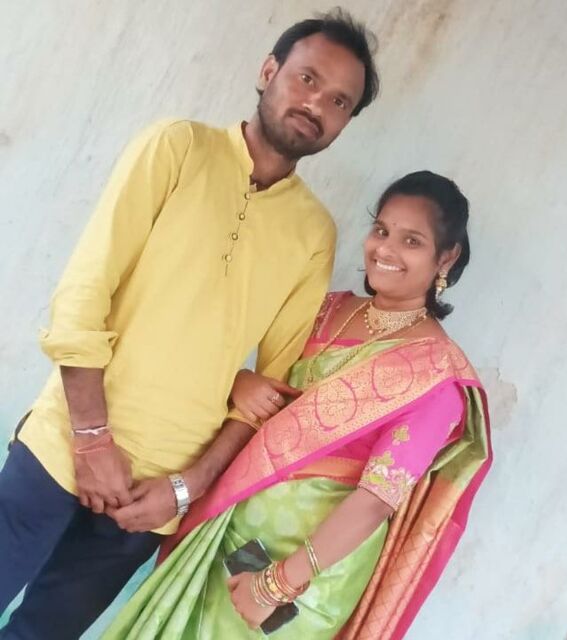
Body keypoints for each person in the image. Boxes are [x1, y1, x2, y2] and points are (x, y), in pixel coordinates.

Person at [0, 10, 379, 639]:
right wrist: (91, 441)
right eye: (308, 78)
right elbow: (84, 294)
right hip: (62, 447)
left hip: (151, 499)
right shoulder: (178, 148)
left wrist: (184, 489)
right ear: (269, 71)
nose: (317, 104)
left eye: (340, 101)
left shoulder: (313, 234)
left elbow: (273, 390)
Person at [103, 171, 492, 639]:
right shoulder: (326, 308)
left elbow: (375, 501)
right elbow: (257, 370)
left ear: (446, 257)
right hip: (227, 529)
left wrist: (276, 585)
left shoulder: (435, 376)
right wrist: (240, 381)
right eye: (382, 230)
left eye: (412, 241)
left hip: (302, 580)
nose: (386, 250)